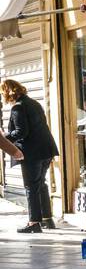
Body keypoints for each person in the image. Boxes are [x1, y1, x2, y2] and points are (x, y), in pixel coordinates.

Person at [2, 80, 58, 233]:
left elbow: (21, 132)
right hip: (47, 149)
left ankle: (34, 222)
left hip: (32, 153)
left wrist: (4, 137)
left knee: (31, 187)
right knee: (41, 184)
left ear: (8, 92)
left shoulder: (18, 108)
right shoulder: (34, 103)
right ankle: (47, 219)